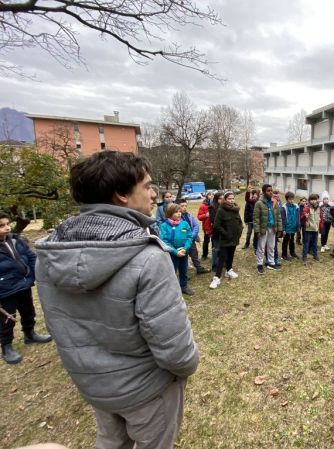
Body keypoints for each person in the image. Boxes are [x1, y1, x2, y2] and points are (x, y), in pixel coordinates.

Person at [35, 150, 199, 448]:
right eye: (147, 186)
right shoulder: (148, 256)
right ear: (121, 194)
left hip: (94, 384)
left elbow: (61, 325)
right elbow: (175, 349)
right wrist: (188, 366)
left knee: (110, 442)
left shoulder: (50, 254)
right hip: (147, 389)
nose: (153, 195)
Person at [0, 212, 52, 365]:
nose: (7, 228)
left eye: (7, 224)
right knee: (7, 318)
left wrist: (32, 274)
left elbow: (31, 256)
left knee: (28, 310)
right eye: (1, 226)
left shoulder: (16, 240)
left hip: (23, 283)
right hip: (5, 289)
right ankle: (6, 346)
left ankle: (29, 333)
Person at [210, 191, 243, 289]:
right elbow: (216, 225)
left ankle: (229, 270)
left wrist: (240, 230)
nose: (232, 200)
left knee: (231, 254)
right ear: (225, 199)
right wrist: (226, 233)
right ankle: (217, 277)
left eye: (233, 198)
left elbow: (239, 221)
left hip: (235, 237)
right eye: (229, 199)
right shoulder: (221, 210)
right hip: (225, 239)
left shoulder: (235, 209)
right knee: (222, 257)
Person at [160, 203, 194, 296]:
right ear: (170, 213)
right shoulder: (164, 226)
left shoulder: (184, 223)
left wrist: (185, 248)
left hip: (183, 252)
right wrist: (175, 251)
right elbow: (164, 240)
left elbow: (189, 237)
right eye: (176, 212)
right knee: (172, 271)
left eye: (180, 212)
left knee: (184, 270)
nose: (179, 214)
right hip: (172, 253)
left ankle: (184, 286)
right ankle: (172, 289)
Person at [254, 184, 282, 274]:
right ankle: (259, 264)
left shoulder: (274, 202)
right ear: (263, 192)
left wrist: (279, 228)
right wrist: (257, 230)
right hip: (263, 228)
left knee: (271, 246)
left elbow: (278, 216)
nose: (271, 192)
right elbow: (256, 218)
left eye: (271, 191)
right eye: (268, 191)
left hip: (272, 228)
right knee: (261, 247)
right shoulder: (259, 203)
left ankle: (271, 262)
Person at [179, 199, 210, 275]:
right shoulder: (177, 217)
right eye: (182, 206)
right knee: (183, 257)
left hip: (191, 240)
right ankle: (183, 274)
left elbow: (196, 225)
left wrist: (192, 236)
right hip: (182, 241)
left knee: (194, 254)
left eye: (185, 206)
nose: (184, 207)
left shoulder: (189, 215)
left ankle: (199, 268)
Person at [300, 193, 322, 264]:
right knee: (306, 243)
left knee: (315, 243)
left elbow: (321, 218)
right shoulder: (307, 208)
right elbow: (302, 218)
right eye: (312, 200)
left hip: (315, 229)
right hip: (308, 229)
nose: (313, 201)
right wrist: (304, 216)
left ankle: (315, 256)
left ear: (317, 200)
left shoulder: (319, 208)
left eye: (315, 200)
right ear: (309, 200)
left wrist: (321, 226)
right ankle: (304, 257)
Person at [281, 191, 300, 260]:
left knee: (292, 241)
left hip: (293, 227)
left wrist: (298, 226)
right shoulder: (284, 207)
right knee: (286, 241)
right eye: (290, 199)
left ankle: (292, 253)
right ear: (287, 199)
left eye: (292, 199)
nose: (291, 200)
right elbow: (283, 219)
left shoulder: (296, 206)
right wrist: (283, 229)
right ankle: (284, 255)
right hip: (287, 228)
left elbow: (298, 217)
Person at [209, 192, 224, 272]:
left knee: (223, 248)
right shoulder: (212, 207)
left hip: (225, 231)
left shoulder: (225, 207)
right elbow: (213, 220)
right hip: (216, 232)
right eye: (220, 199)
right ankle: (214, 264)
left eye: (223, 198)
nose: (222, 200)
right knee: (216, 249)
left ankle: (222, 262)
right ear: (216, 199)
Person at [197, 191, 214, 260]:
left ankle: (214, 255)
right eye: (209, 195)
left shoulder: (216, 204)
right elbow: (199, 217)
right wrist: (206, 215)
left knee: (214, 242)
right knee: (206, 241)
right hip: (206, 227)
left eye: (212, 194)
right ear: (206, 196)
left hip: (214, 227)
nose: (211, 196)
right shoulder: (203, 205)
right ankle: (204, 255)